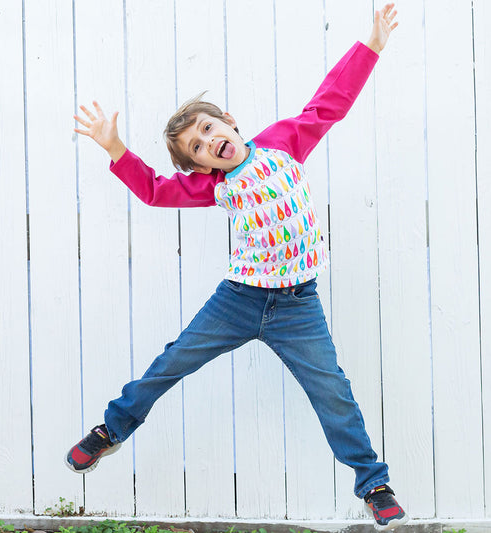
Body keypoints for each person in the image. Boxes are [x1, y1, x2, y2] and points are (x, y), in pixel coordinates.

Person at [66, 4, 408, 530]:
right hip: (240, 299)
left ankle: (373, 481)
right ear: (202, 166)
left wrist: (372, 45)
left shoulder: (283, 142)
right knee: (173, 361)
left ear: (229, 121)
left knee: (333, 391)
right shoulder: (213, 186)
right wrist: (116, 149)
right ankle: (111, 430)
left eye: (208, 128)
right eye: (197, 148)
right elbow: (156, 192)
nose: (209, 143)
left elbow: (330, 103)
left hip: (298, 305)